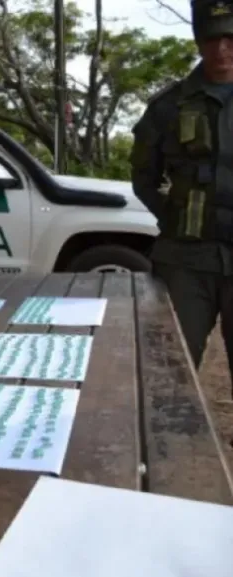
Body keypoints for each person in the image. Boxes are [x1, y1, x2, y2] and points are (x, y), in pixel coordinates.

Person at [130, 0, 233, 388]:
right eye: (211, 39)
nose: (221, 49)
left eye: (230, 37)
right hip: (186, 262)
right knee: (170, 373)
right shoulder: (168, 106)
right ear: (198, 41)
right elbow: (144, 176)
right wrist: (176, 217)